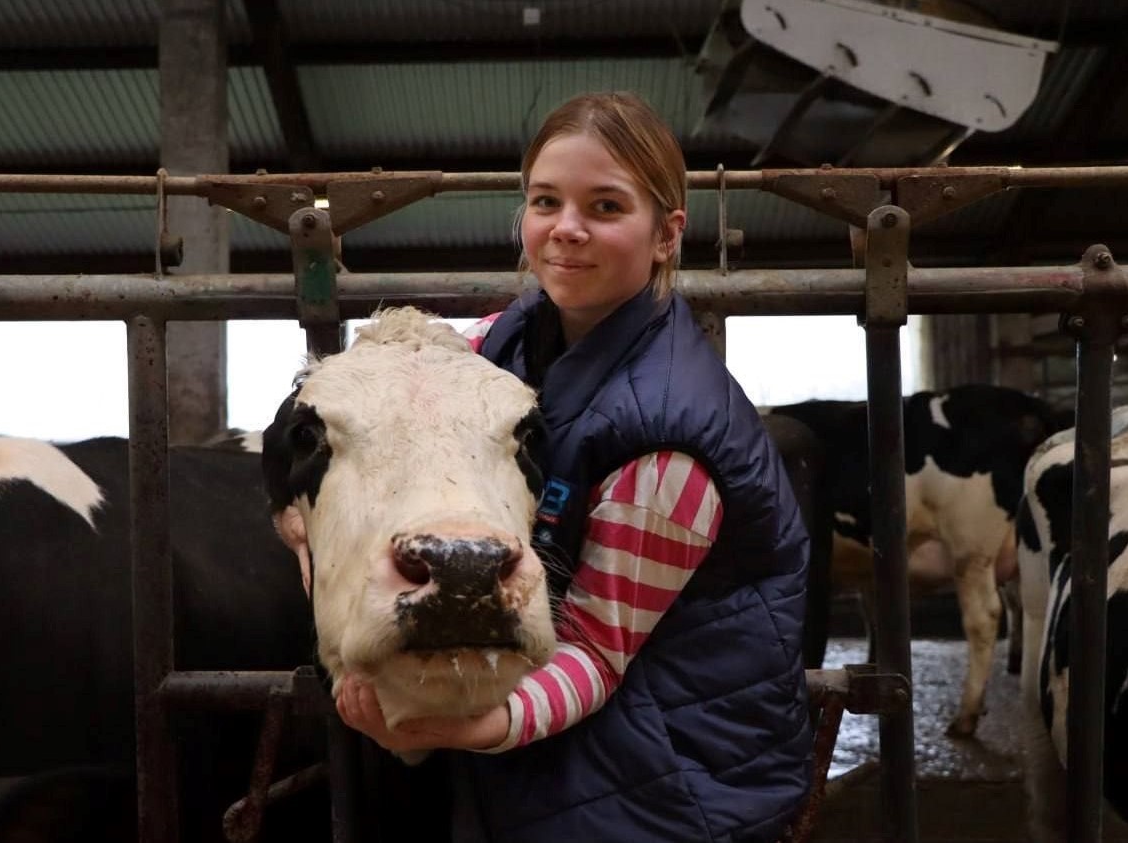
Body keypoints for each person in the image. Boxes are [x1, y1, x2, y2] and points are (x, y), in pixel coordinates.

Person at [336, 91, 812, 843]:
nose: (566, 229)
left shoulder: (671, 444)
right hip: (570, 767)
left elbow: (593, 651)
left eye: (606, 206)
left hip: (665, 787)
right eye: (545, 200)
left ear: (666, 234)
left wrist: (462, 728)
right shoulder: (502, 343)